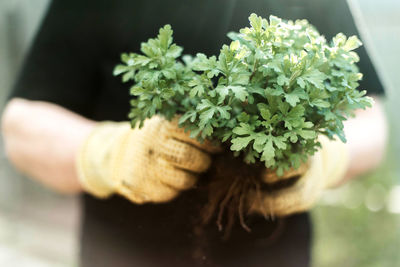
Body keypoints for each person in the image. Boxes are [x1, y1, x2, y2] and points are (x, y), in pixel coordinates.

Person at [1, 0, 387, 266]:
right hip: (121, 255)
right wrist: (110, 154)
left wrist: (326, 160)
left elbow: (370, 118)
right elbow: (22, 124)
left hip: (274, 256)